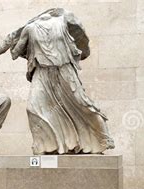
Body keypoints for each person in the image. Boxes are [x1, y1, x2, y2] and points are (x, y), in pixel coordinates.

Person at [10, 8, 114, 154]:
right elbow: (16, 52)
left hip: (64, 69)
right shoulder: (30, 28)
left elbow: (81, 44)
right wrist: (10, 41)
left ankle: (103, 137)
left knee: (81, 103)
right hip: (42, 71)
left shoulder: (63, 20)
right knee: (33, 108)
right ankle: (46, 146)